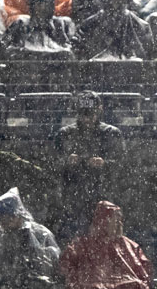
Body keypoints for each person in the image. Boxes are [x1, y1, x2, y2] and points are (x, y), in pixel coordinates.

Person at [59, 201, 154, 289]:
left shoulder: (130, 246)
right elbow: (66, 269)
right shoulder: (81, 246)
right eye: (115, 219)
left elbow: (144, 275)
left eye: (120, 219)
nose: (119, 223)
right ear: (102, 221)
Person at [53, 92, 126, 221]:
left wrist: (104, 163)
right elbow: (52, 164)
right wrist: (67, 161)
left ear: (98, 111)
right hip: (73, 197)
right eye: (84, 113)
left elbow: (123, 164)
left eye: (90, 113)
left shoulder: (111, 133)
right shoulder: (65, 134)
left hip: (103, 194)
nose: (87, 118)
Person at [77, 0, 156, 59]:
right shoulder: (98, 18)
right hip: (98, 58)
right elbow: (82, 33)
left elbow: (143, 42)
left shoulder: (131, 18)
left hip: (126, 59)